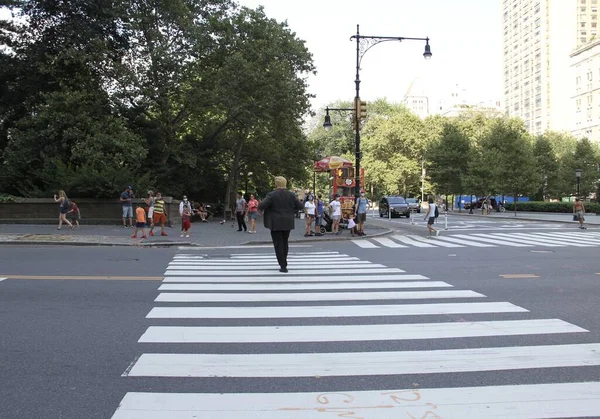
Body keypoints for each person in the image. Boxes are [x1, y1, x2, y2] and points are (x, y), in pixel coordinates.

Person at [258, 176, 303, 273]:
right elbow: (300, 206)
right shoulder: (291, 195)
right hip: (288, 221)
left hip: (275, 222)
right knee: (285, 242)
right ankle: (284, 261)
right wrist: (291, 210)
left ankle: (283, 265)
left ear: (276, 184)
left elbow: (261, 206)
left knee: (278, 243)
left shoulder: (271, 195)